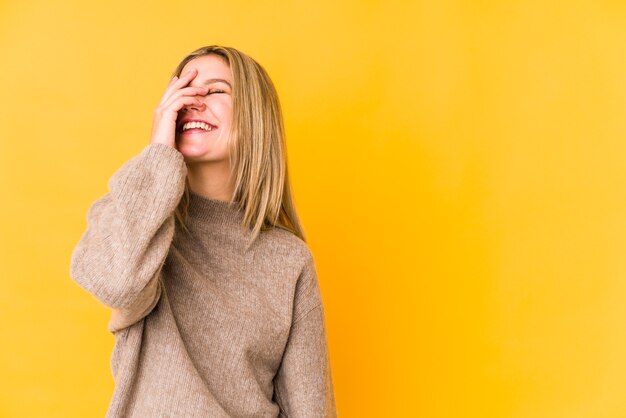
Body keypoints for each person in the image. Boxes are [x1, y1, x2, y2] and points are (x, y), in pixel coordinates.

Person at [70, 45, 337, 417]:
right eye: (182, 92)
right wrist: (158, 154)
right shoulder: (137, 222)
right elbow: (116, 283)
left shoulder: (289, 260)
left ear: (254, 116)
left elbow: (310, 408)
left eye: (214, 90)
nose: (192, 103)